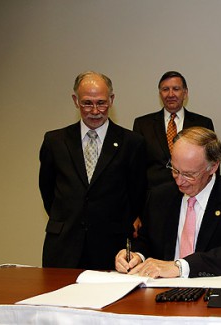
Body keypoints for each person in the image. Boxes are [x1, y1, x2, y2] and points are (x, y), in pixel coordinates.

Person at [115, 127, 221, 278]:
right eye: (174, 170)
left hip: (212, 292)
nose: (179, 181)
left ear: (213, 166)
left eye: (189, 174)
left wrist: (181, 267)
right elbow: (146, 241)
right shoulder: (159, 197)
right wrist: (136, 256)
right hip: (161, 291)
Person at [39, 71, 147, 270]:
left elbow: (137, 195)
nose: (95, 110)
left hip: (112, 248)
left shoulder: (132, 143)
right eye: (87, 103)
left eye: (101, 102)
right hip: (63, 246)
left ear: (112, 100)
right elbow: (48, 192)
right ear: (75, 101)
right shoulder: (54, 141)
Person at [133, 71, 215, 189]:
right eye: (165, 89)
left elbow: (211, 162)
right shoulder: (142, 124)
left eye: (176, 89)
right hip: (154, 194)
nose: (170, 94)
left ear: (185, 93)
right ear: (160, 93)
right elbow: (137, 167)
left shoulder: (202, 123)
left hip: (192, 191)